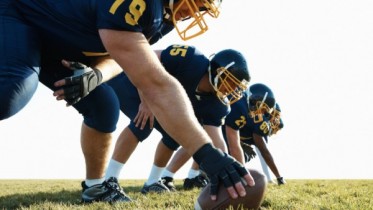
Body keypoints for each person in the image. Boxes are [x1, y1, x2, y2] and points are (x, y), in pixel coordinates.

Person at [0, 0, 254, 204]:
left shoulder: (162, 16)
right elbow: (157, 84)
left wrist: (97, 75)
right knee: (11, 91)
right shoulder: (143, 5)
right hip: (21, 15)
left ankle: (95, 188)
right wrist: (207, 153)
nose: (194, 12)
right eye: (197, 3)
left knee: (103, 106)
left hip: (61, 45)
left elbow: (117, 52)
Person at [104, 44, 251, 195]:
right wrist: (145, 99)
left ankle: (153, 182)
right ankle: (108, 180)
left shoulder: (217, 104)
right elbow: (148, 57)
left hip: (159, 97)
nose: (232, 90)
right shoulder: (191, 59)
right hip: (132, 81)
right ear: (217, 70)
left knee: (175, 135)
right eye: (231, 82)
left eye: (236, 87)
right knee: (144, 121)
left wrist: (226, 165)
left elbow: (217, 140)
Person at [223, 83, 286, 185]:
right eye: (275, 117)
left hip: (226, 131)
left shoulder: (249, 110)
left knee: (244, 155)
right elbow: (264, 152)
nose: (275, 123)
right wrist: (279, 177)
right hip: (222, 130)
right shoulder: (258, 119)